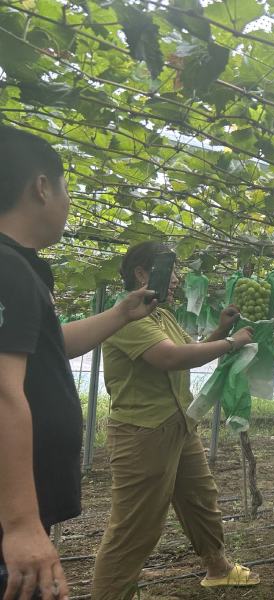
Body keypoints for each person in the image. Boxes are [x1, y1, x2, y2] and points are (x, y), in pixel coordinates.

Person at [0, 125, 158, 600]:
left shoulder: (18, 266)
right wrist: (23, 523)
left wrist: (119, 313)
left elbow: (50, 347)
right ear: (42, 187)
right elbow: (3, 393)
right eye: (65, 186)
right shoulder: (7, 268)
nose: (67, 199)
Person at [90, 241, 259, 599]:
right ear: (141, 273)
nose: (176, 281)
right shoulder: (126, 316)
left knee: (200, 498)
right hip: (142, 434)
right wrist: (230, 343)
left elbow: (189, 348)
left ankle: (218, 568)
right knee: (135, 527)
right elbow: (171, 357)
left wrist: (220, 330)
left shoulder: (161, 315)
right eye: (170, 272)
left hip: (179, 425)